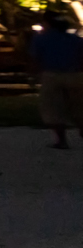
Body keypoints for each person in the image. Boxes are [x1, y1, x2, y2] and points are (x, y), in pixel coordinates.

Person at [31, 12, 83, 151]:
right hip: (75, 75)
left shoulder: (41, 39)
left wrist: (34, 75)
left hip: (51, 75)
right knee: (78, 107)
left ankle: (62, 141)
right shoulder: (75, 39)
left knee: (53, 109)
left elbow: (36, 59)